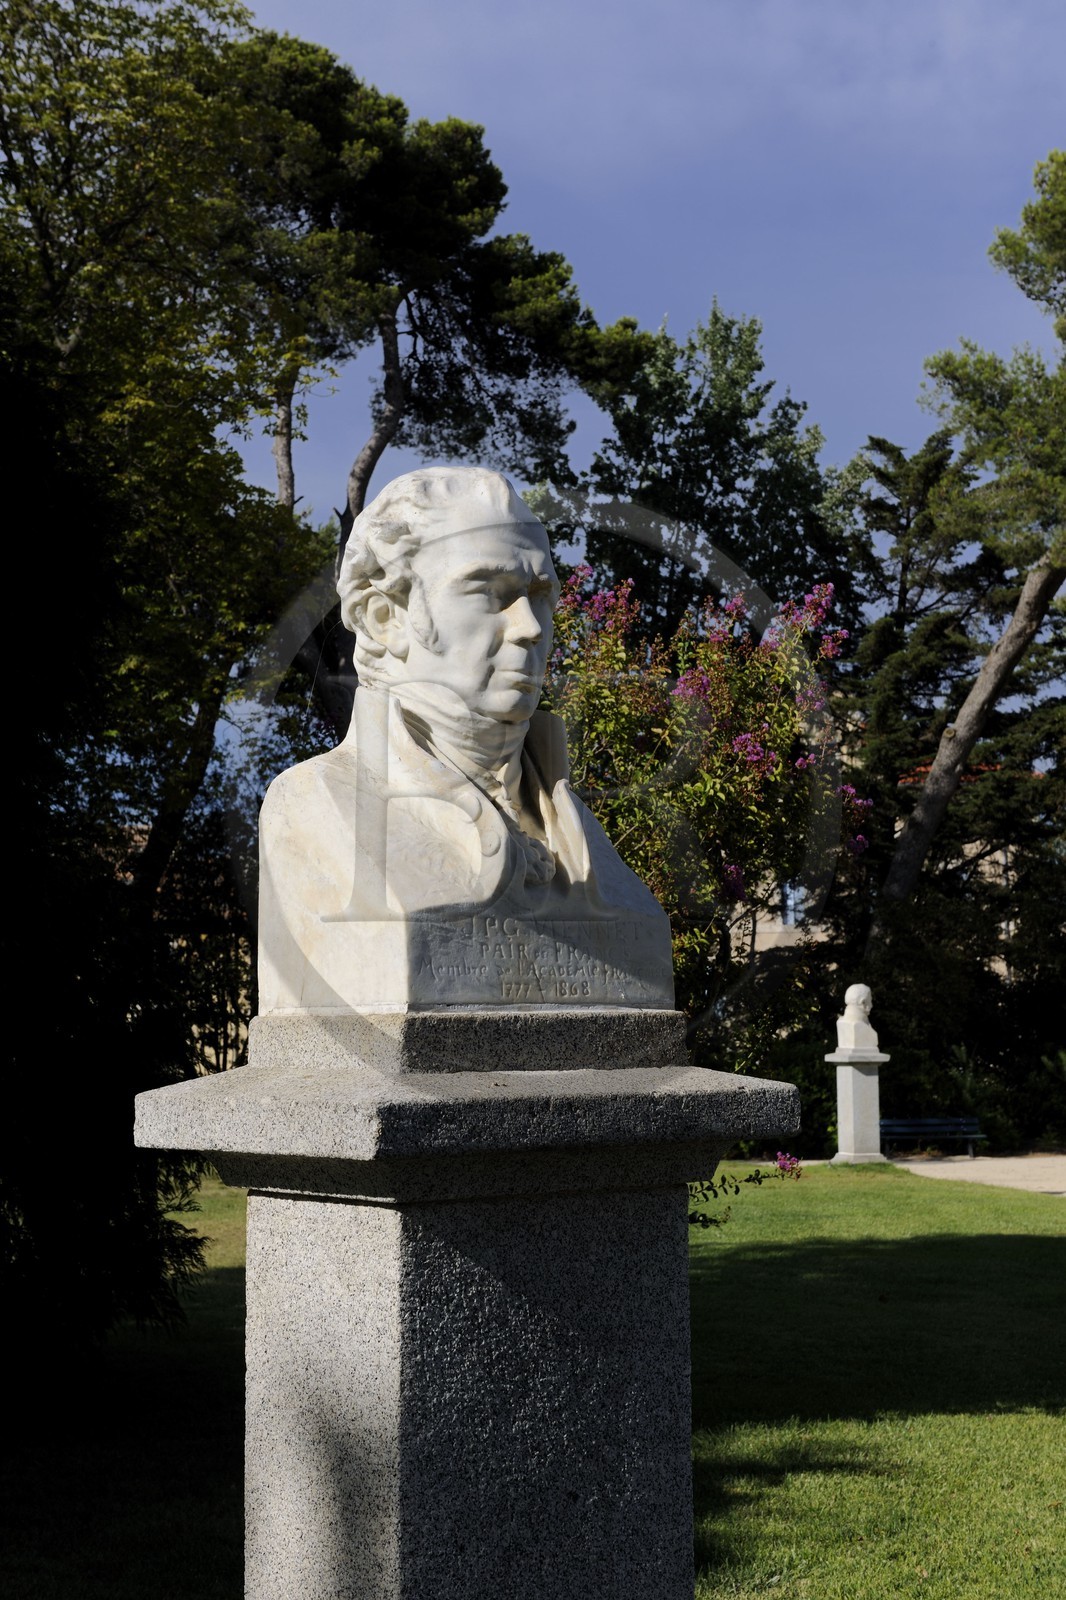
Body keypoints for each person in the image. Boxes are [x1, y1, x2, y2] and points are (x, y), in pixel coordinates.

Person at [258, 467, 673, 1012]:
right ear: (385, 619)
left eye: (540, 595)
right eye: (489, 592)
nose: (530, 626)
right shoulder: (312, 806)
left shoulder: (582, 835)